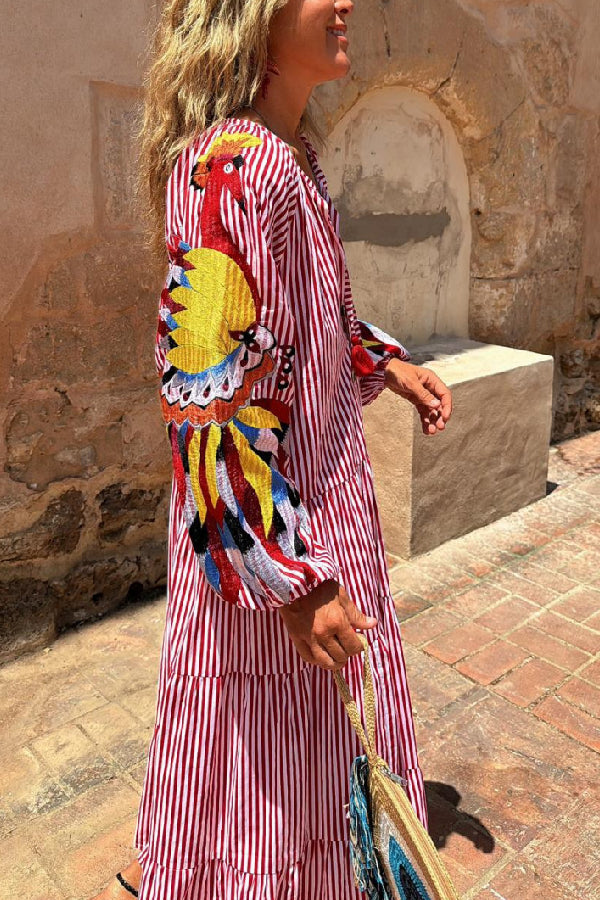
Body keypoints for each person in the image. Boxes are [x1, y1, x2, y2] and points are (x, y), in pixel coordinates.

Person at [93, 0, 452, 897]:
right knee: (269, 780)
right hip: (275, 533)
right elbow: (208, 398)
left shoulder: (291, 159)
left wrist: (386, 365)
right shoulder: (228, 172)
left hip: (318, 512)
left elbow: (304, 319)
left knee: (307, 764)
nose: (346, 4)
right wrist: (290, 582)